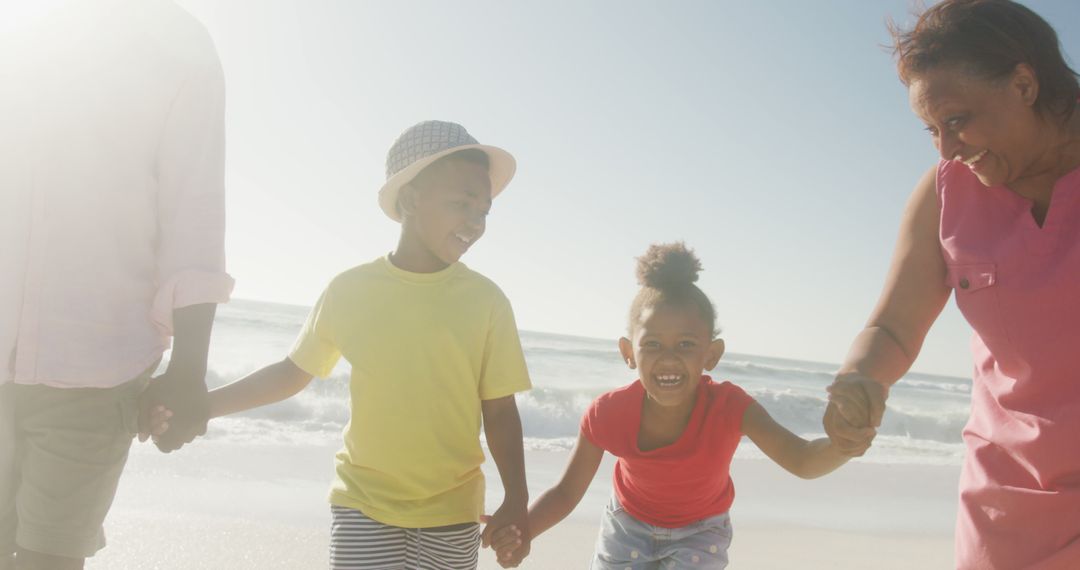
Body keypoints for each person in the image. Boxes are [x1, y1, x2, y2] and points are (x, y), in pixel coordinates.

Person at [175, 120, 533, 570]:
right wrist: (202, 407)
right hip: (362, 502)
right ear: (409, 199)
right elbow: (292, 372)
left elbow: (500, 412)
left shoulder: (487, 302)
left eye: (484, 210)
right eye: (463, 203)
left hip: (452, 511)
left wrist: (516, 499)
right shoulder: (350, 290)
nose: (476, 222)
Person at [822, 1, 1080, 568]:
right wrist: (860, 379)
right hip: (1003, 510)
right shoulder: (946, 191)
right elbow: (891, 326)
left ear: (1023, 83)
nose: (946, 149)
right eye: (931, 129)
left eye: (957, 120)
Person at [0, 1, 231, 568]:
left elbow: (192, 213)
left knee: (46, 560)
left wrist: (188, 370)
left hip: (96, 372)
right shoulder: (22, 27)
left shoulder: (180, 45)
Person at [491, 243, 873, 569]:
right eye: (653, 344)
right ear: (628, 352)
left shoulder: (729, 407)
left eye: (687, 345)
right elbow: (565, 492)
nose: (669, 359)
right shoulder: (607, 414)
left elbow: (802, 459)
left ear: (712, 354)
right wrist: (525, 531)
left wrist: (843, 446)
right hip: (627, 526)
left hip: (701, 532)